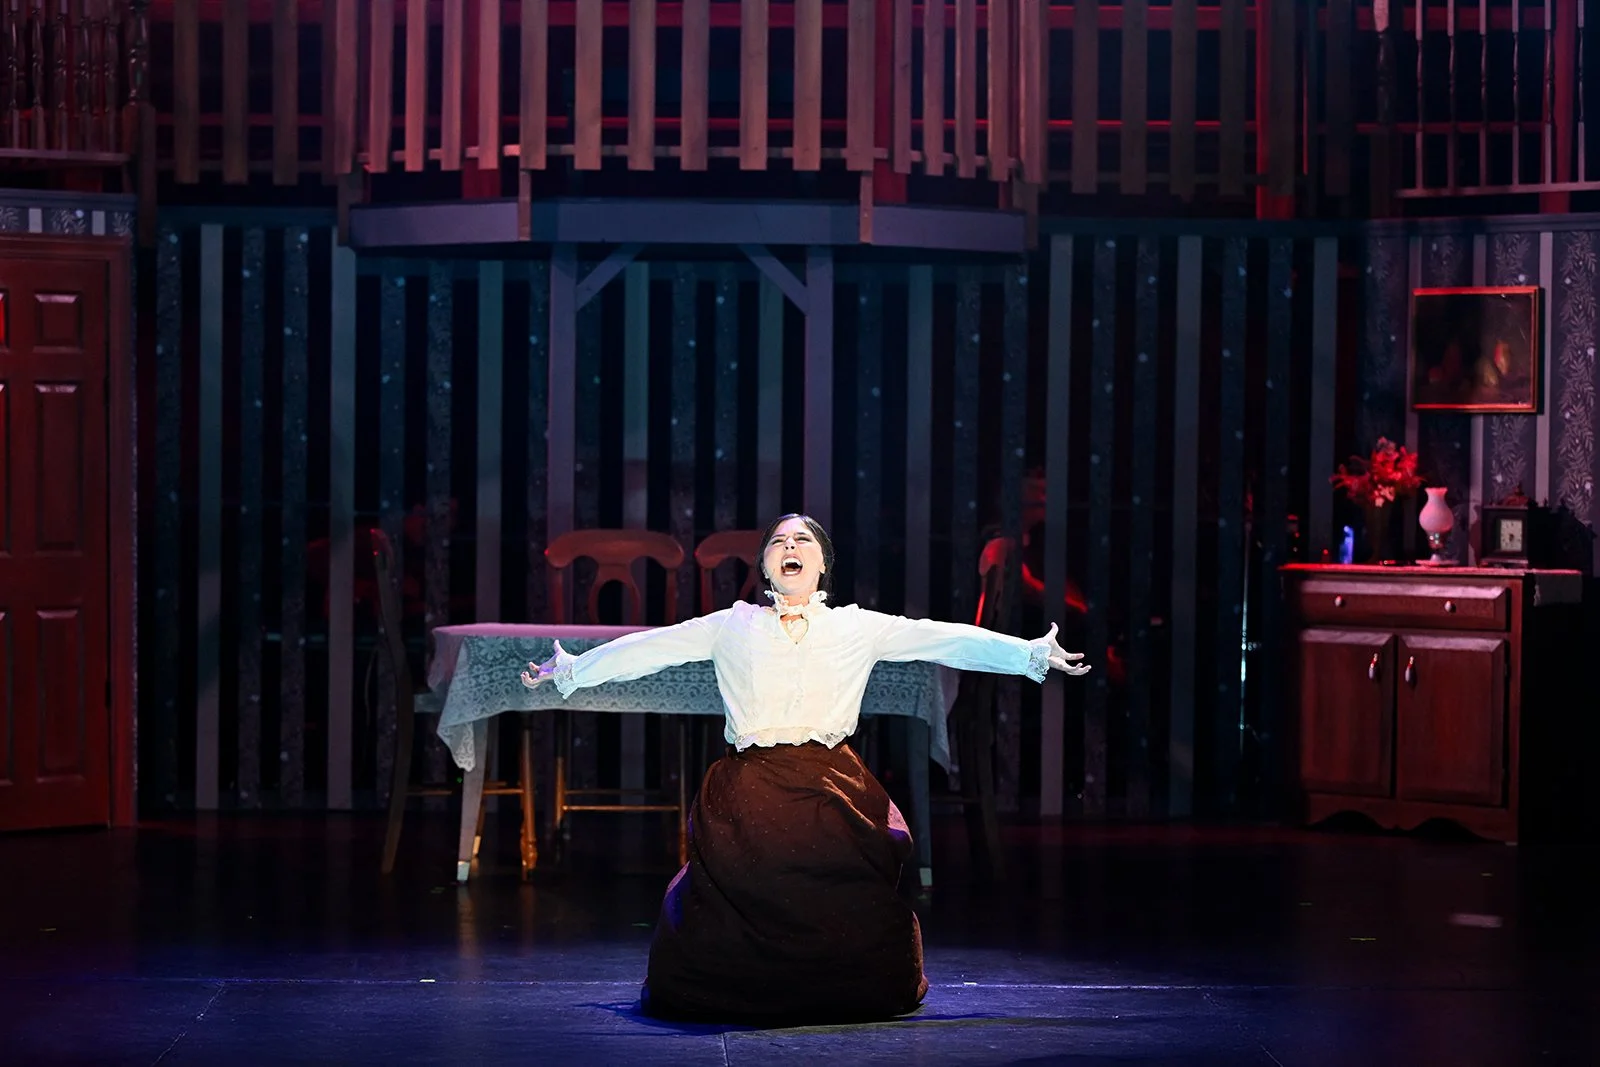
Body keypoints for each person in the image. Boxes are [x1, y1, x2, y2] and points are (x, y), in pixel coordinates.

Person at [520, 513, 1090, 1023]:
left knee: (842, 902)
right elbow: (649, 648)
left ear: (821, 563)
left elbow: (946, 640)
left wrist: (1030, 653)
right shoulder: (732, 624)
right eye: (777, 541)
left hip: (830, 785)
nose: (789, 545)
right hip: (750, 786)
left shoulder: (857, 626)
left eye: (803, 539)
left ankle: (845, 984)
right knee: (735, 900)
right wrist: (571, 671)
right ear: (766, 564)